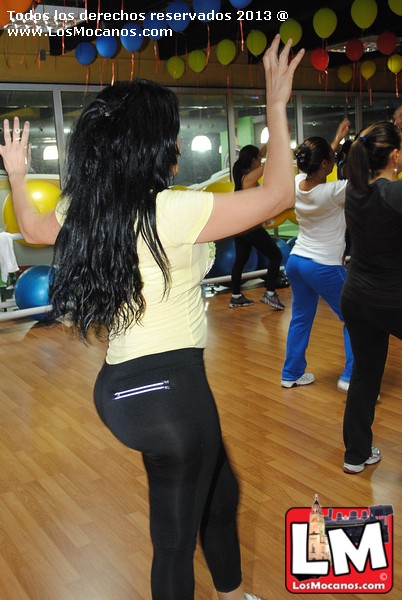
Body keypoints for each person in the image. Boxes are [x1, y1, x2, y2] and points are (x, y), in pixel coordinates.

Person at [0, 36, 304, 600]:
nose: (179, 141)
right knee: (173, 542)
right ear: (149, 146)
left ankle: (234, 592)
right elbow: (280, 191)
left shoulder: (88, 209)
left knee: (220, 492)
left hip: (127, 386)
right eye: (172, 133)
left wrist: (18, 174)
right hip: (170, 391)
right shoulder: (175, 209)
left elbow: (33, 230)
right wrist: (277, 104)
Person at [341, 121, 402, 474]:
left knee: (365, 376)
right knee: (365, 374)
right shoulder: (393, 195)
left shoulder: (354, 189)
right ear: (394, 155)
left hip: (358, 298)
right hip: (392, 300)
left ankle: (356, 454)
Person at [281, 119, 354, 390]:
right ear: (325, 164)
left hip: (297, 261)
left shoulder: (298, 181)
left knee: (300, 317)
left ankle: (290, 374)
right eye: (330, 159)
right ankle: (351, 376)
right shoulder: (335, 191)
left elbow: (317, 165)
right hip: (323, 265)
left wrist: (335, 140)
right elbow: (369, 180)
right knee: (355, 317)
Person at [229, 144, 285, 310]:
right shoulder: (249, 178)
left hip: (239, 226)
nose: (261, 160)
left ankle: (236, 296)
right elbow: (270, 164)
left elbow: (260, 154)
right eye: (258, 159)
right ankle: (269, 294)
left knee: (241, 260)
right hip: (249, 226)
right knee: (276, 255)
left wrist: (272, 139)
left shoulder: (242, 174)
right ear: (252, 161)